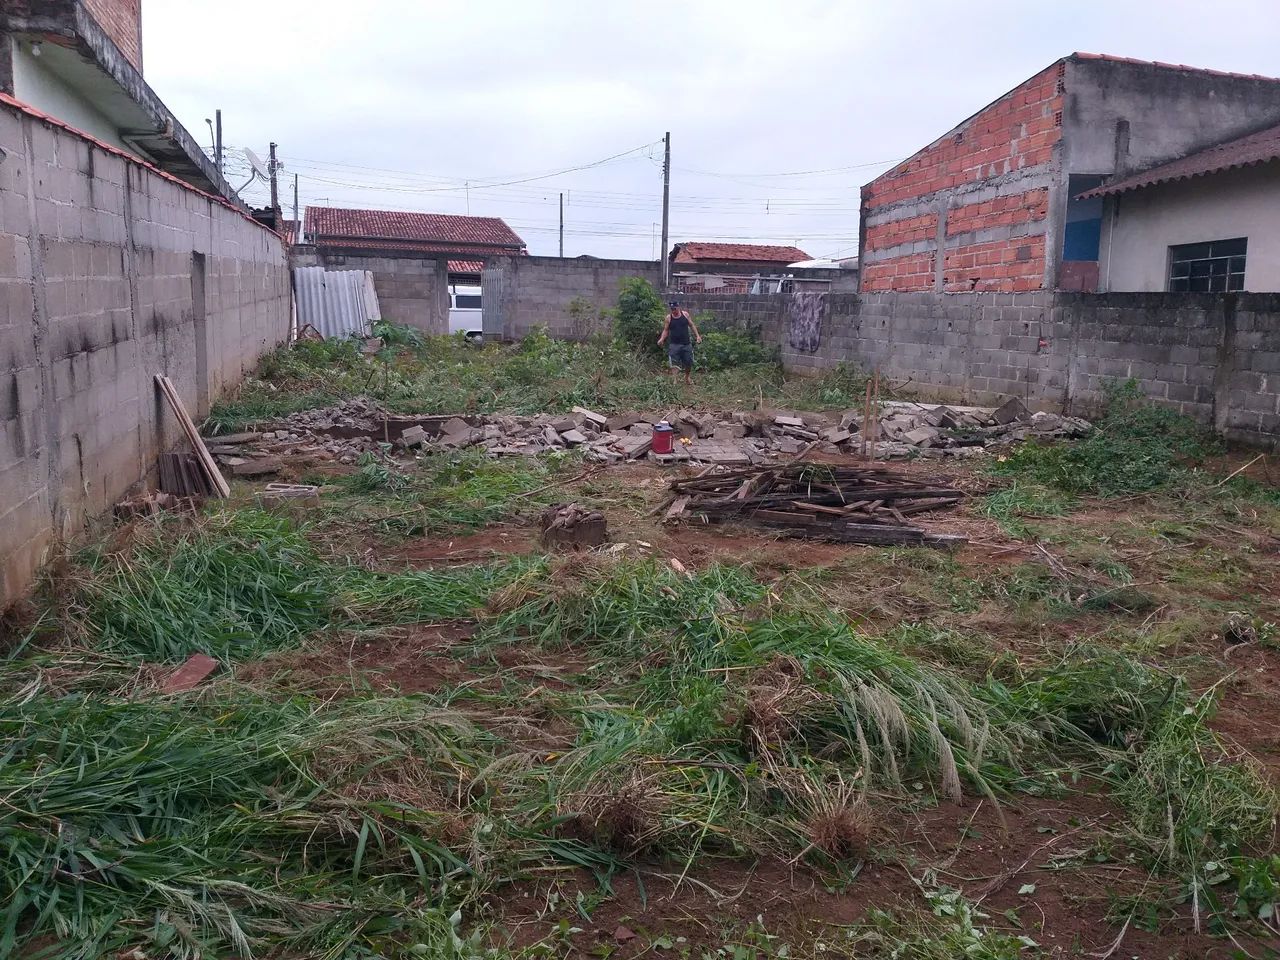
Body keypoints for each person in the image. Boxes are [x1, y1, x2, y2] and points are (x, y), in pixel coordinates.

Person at [657, 300, 702, 385]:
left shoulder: (685, 315)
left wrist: (697, 336)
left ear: (678, 307)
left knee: (688, 362)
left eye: (675, 309)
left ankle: (687, 377)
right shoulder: (669, 318)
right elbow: (666, 330)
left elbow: (692, 325)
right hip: (674, 344)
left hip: (686, 343)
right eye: (672, 309)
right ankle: (675, 379)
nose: (674, 311)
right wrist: (662, 339)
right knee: (674, 363)